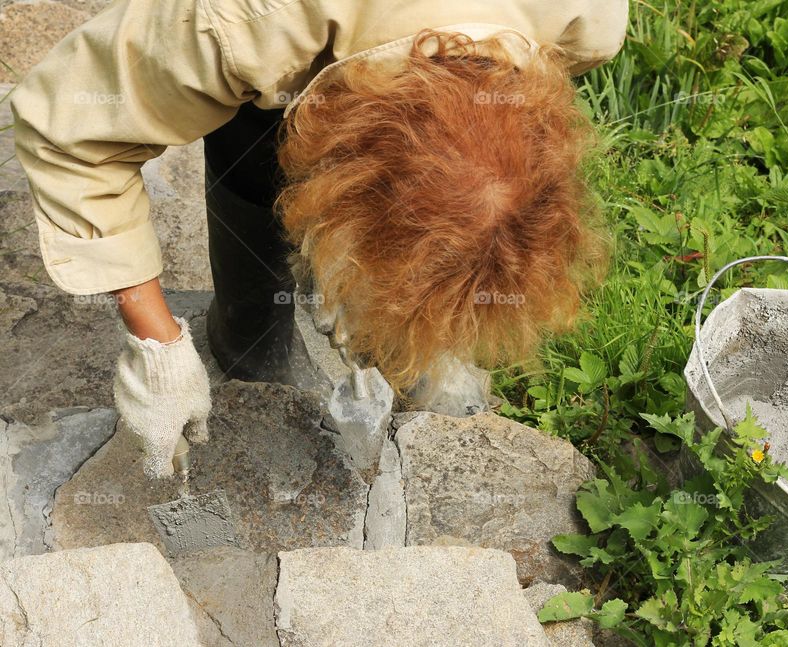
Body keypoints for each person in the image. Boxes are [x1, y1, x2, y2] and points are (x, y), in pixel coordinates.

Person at [10, 0, 628, 478]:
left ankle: (396, 320)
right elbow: (68, 131)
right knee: (254, 134)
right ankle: (250, 340)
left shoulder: (587, 18)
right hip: (279, 42)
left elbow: (483, 163)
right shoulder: (243, 25)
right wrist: (157, 347)